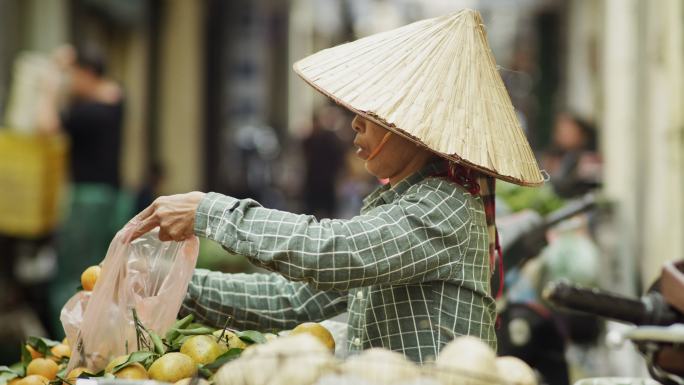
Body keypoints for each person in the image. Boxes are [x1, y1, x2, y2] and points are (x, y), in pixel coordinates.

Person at [131, 9, 544, 363]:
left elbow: (332, 251)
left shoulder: (443, 206)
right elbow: (294, 302)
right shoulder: (401, 203)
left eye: (374, 113)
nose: (356, 122)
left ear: (418, 131)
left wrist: (209, 212)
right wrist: (171, 285)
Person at [37, 45, 126, 336]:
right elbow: (111, 89)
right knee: (102, 270)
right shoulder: (116, 101)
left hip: (87, 200)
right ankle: (101, 336)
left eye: (75, 76)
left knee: (73, 276)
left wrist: (50, 84)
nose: (71, 84)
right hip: (111, 198)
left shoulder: (89, 112)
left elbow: (46, 125)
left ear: (88, 74)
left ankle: (69, 340)